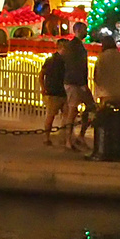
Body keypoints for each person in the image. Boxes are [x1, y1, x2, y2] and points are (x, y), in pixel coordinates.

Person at [62, 23, 94, 151]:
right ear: (77, 30)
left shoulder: (75, 46)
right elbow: (76, 67)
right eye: (84, 30)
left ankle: (78, 136)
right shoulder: (75, 47)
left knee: (89, 107)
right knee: (73, 110)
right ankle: (69, 140)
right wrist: (82, 84)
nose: (85, 32)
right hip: (76, 83)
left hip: (77, 82)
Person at [39, 44, 68, 145]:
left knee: (57, 116)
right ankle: (51, 137)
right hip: (57, 91)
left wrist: (43, 87)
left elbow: (41, 74)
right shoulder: (58, 61)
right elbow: (42, 74)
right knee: (53, 115)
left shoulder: (51, 60)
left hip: (58, 91)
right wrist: (43, 87)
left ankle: (59, 137)